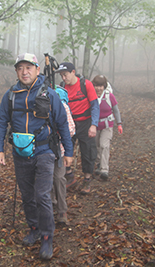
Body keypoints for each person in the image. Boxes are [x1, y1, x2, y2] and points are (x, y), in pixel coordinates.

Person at [0, 53, 74, 260]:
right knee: (27, 196)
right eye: (20, 68)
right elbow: (1, 120)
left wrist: (69, 152)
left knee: (42, 195)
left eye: (29, 67)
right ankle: (34, 228)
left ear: (37, 70)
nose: (24, 72)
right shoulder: (10, 95)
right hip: (20, 153)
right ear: (16, 71)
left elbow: (63, 123)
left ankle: (47, 237)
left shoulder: (49, 94)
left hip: (45, 151)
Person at [55, 62, 100, 195]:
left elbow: (95, 105)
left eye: (65, 74)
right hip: (70, 122)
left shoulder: (85, 85)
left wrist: (94, 125)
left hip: (86, 122)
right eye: (62, 75)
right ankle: (70, 176)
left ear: (73, 72)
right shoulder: (62, 87)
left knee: (88, 151)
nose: (64, 78)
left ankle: (87, 180)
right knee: (65, 148)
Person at [51, 87, 75, 225]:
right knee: (45, 179)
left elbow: (71, 129)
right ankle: (50, 204)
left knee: (59, 178)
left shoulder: (63, 106)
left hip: (58, 150)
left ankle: (62, 210)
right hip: (41, 151)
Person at [91, 75, 123, 180]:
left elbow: (116, 110)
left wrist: (119, 124)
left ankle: (104, 170)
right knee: (97, 146)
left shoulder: (109, 96)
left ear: (104, 86)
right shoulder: (91, 96)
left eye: (101, 86)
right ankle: (99, 164)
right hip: (95, 126)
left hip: (107, 125)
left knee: (104, 145)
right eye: (96, 86)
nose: (99, 88)